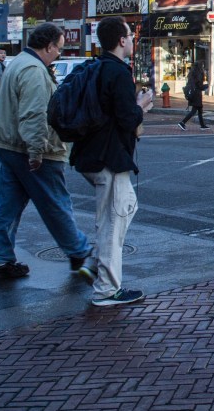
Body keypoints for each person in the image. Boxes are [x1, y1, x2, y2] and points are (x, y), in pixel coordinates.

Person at [0, 22, 91, 283]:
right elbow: (34, 114)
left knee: (8, 206)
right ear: (48, 46)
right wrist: (36, 151)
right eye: (59, 48)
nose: (59, 53)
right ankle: (78, 251)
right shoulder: (34, 70)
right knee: (55, 202)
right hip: (31, 149)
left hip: (8, 145)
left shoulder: (19, 63)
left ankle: (1, 260)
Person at [71, 16, 153, 307]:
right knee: (113, 220)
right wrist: (142, 105)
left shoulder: (95, 67)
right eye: (130, 35)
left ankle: (96, 262)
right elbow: (127, 118)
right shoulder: (118, 72)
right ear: (122, 40)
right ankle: (107, 289)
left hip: (90, 153)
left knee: (124, 208)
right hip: (109, 156)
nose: (132, 40)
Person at [178, 61, 210, 130]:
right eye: (202, 66)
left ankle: (202, 125)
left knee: (199, 110)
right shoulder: (199, 74)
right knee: (194, 110)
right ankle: (182, 122)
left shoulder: (191, 73)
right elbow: (199, 85)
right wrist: (206, 86)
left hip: (193, 93)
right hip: (196, 94)